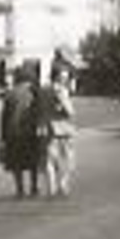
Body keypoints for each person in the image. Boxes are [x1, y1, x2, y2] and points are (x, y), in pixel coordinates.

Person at [0, 67, 43, 197]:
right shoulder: (34, 92)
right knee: (33, 160)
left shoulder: (10, 94)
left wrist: (3, 137)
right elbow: (39, 112)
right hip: (31, 131)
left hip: (13, 132)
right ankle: (34, 187)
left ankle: (20, 188)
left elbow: (5, 116)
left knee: (16, 162)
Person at [42, 69, 77, 197]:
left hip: (49, 126)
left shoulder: (44, 90)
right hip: (63, 127)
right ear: (57, 77)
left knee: (50, 159)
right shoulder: (61, 91)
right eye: (64, 77)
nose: (66, 79)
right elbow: (70, 111)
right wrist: (69, 109)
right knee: (69, 159)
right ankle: (63, 182)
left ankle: (51, 187)